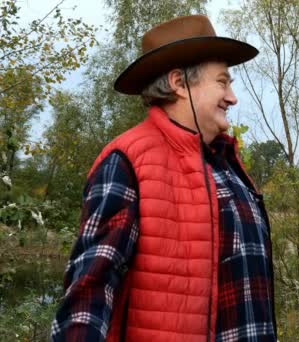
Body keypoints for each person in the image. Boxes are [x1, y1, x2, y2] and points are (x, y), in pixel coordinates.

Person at [51, 15, 276, 342]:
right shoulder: (128, 161)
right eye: (222, 82)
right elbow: (89, 292)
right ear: (179, 83)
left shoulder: (228, 165)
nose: (232, 97)